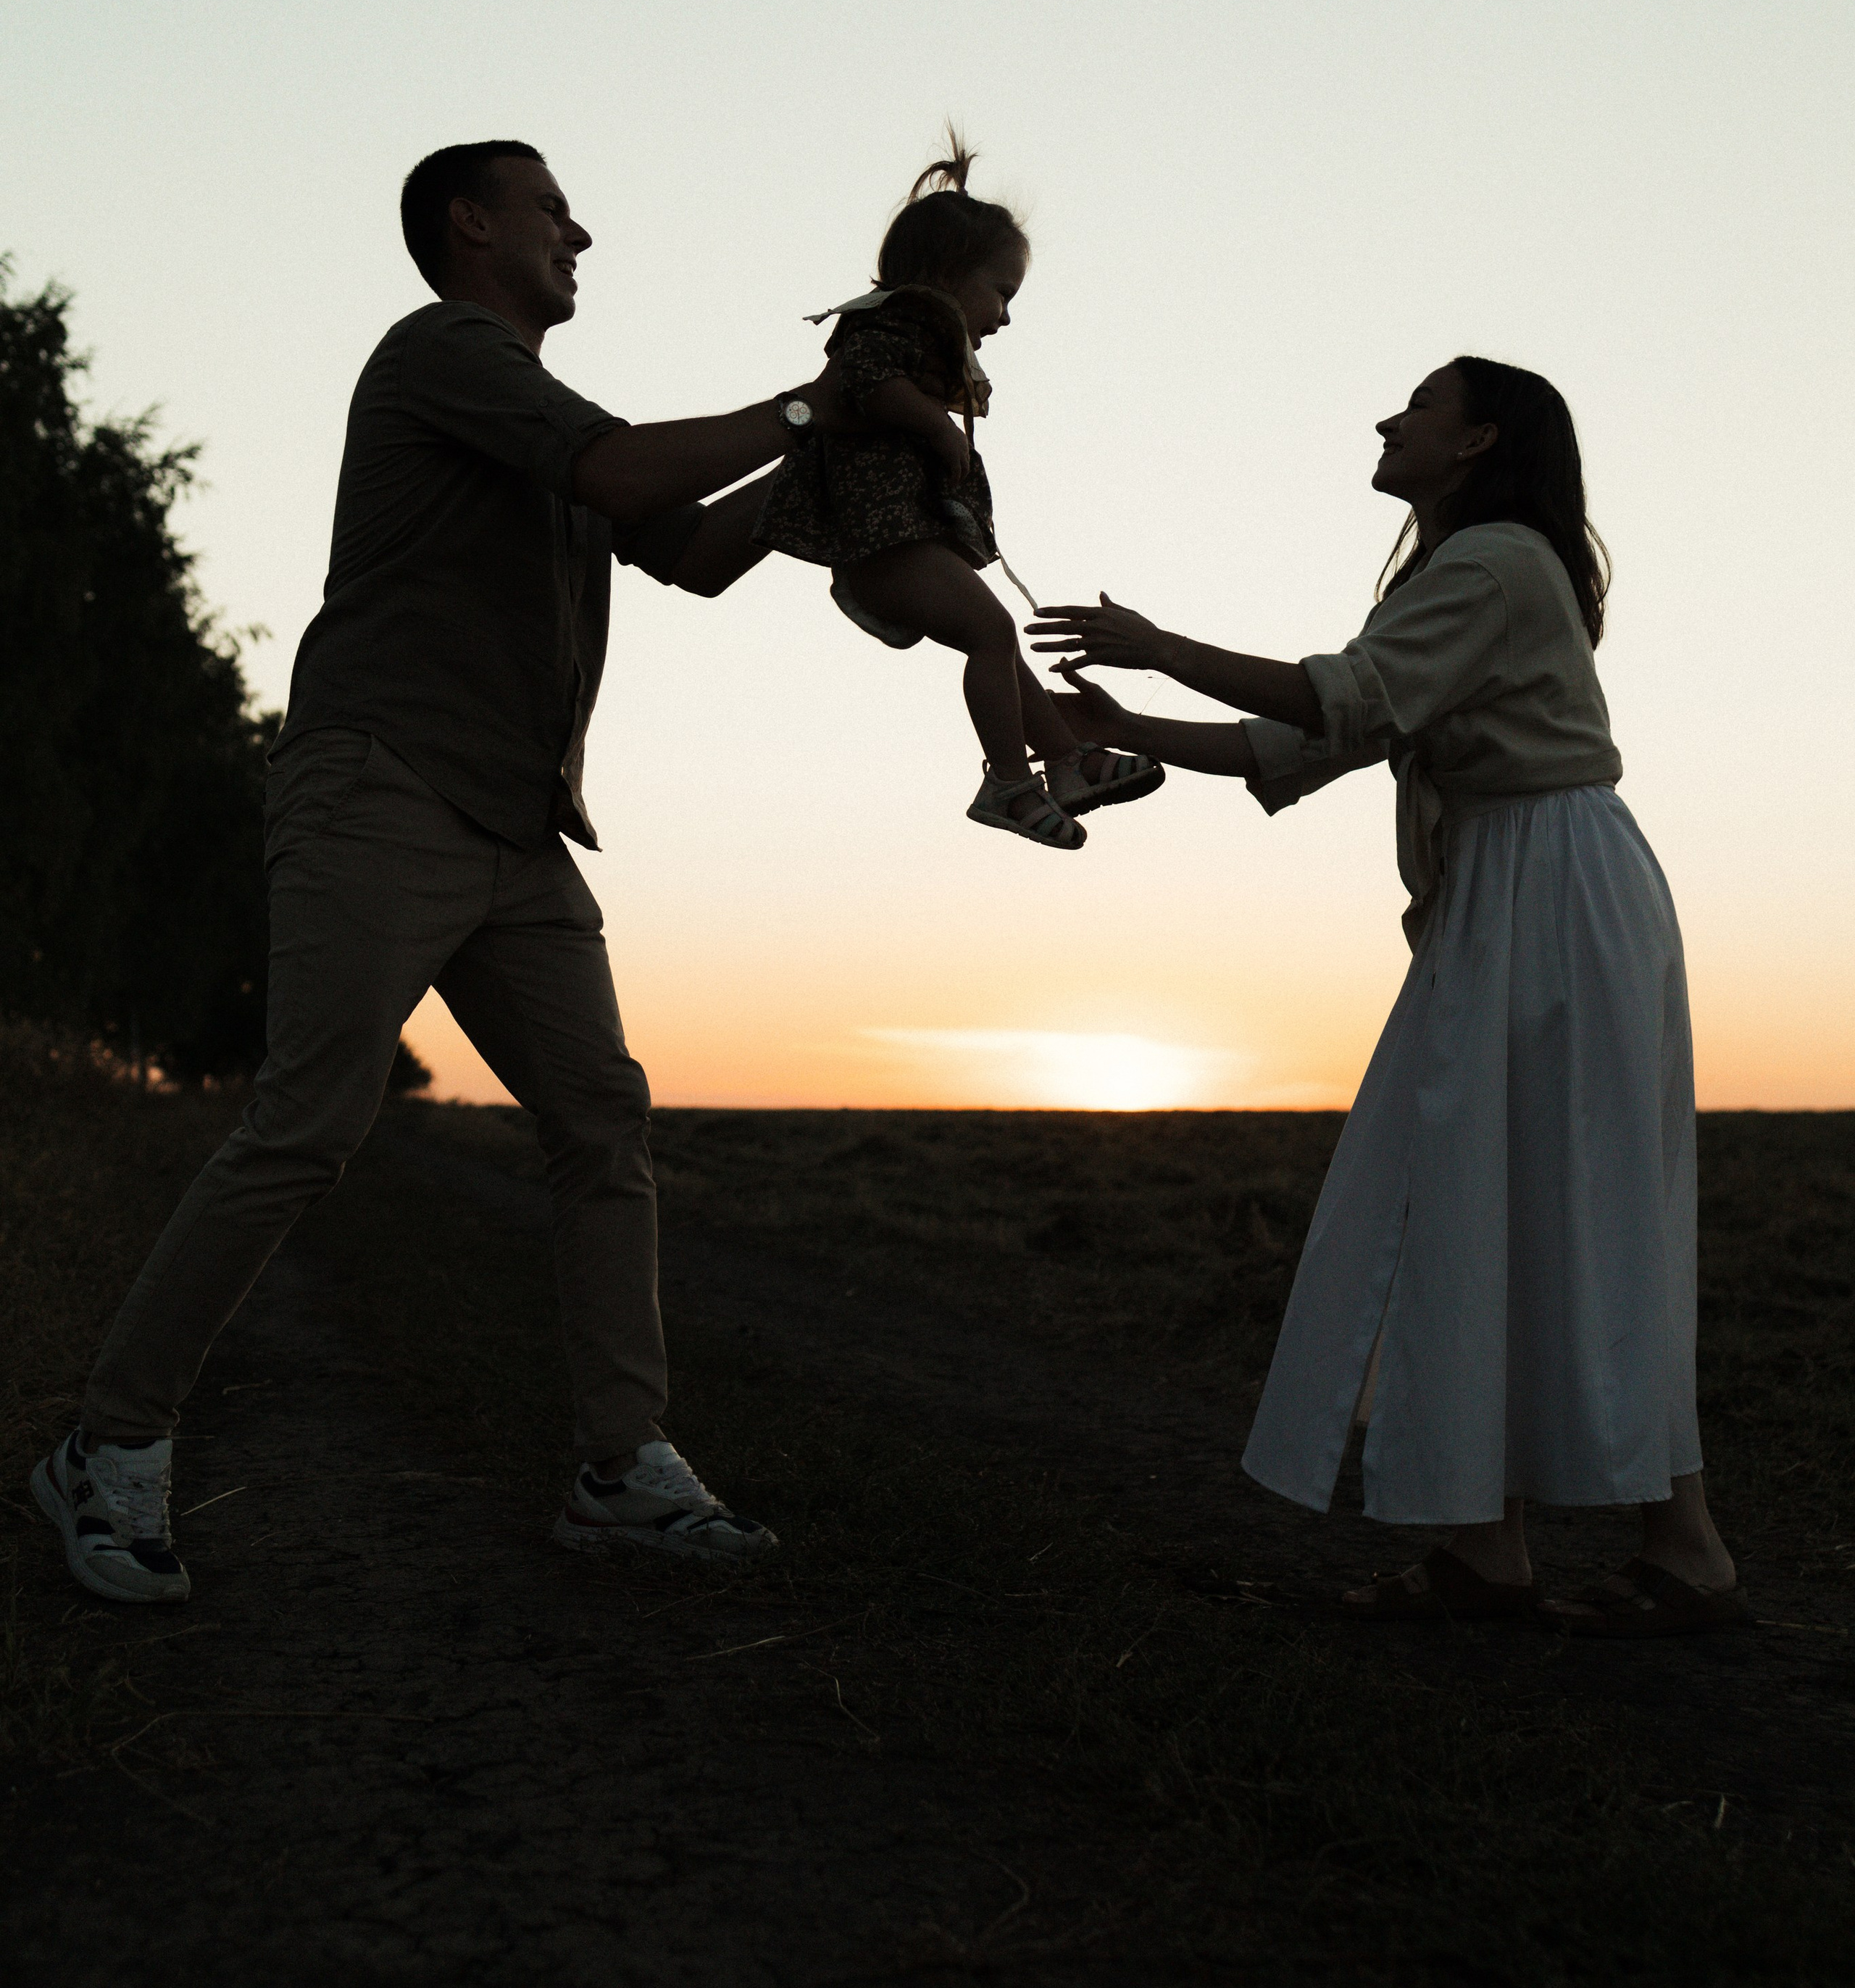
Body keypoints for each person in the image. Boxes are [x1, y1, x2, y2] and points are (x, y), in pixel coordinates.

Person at [33, 139, 845, 1606]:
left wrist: (847, 459)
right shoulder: (441, 354)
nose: (581, 232)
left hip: (513, 830)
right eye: (551, 208)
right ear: (470, 224)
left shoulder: (549, 414)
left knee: (601, 1118)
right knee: (307, 1123)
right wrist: (813, 403)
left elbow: (703, 546)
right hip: (381, 790)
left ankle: (619, 1468)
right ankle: (108, 1446)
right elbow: (620, 467)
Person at [1033, 356, 1748, 1636]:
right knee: (1478, 1201)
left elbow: (1331, 700)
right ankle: (1489, 1552)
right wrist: (1123, 725)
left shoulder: (1501, 563)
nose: (1385, 418)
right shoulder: (1468, 576)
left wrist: (1157, 650)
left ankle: (1675, 1553)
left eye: (1416, 405)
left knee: (1568, 1205)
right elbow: (1318, 740)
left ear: (1478, 439)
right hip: (1522, 888)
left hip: (1553, 890)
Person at [753, 140, 1164, 852]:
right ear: (946, 274)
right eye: (1001, 292)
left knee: (998, 642)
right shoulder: (897, 320)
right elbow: (862, 381)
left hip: (895, 538)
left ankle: (1065, 761)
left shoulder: (915, 328)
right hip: (881, 539)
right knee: (992, 636)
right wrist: (938, 434)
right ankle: (1009, 780)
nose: (1004, 317)